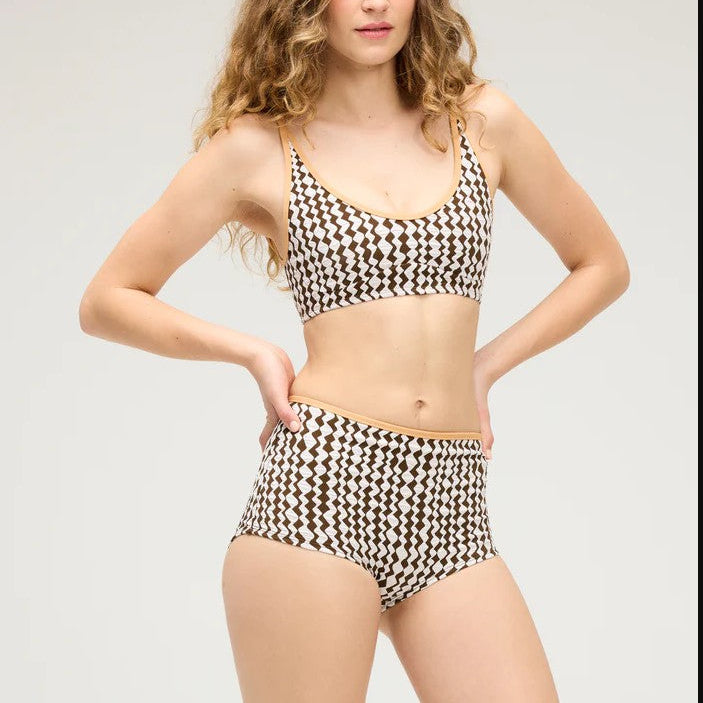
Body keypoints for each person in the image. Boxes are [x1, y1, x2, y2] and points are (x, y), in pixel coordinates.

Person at [79, 0, 630, 700]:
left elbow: (601, 265)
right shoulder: (258, 147)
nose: (374, 4)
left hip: (451, 502)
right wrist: (252, 352)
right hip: (321, 493)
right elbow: (108, 298)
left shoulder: (483, 121)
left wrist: (484, 367)